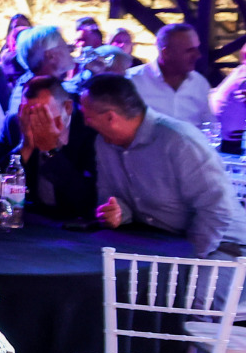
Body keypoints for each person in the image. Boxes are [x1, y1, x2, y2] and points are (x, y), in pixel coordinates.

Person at [82, 74, 246, 258]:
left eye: (88, 116)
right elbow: (110, 197)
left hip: (222, 246)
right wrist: (118, 212)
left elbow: (217, 208)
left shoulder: (179, 140)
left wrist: (187, 259)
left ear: (110, 117)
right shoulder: (104, 144)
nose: (85, 122)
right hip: (160, 241)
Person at [9, 75, 98, 219]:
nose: (34, 121)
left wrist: (50, 150)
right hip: (32, 219)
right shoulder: (16, 123)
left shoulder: (90, 131)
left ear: (67, 108)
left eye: (43, 114)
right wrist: (25, 146)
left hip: (74, 222)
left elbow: (86, 201)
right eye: (29, 113)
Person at [129, 22, 214, 132]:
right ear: (166, 53)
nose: (197, 55)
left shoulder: (200, 83)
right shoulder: (132, 81)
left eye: (197, 48)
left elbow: (209, 126)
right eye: (189, 50)